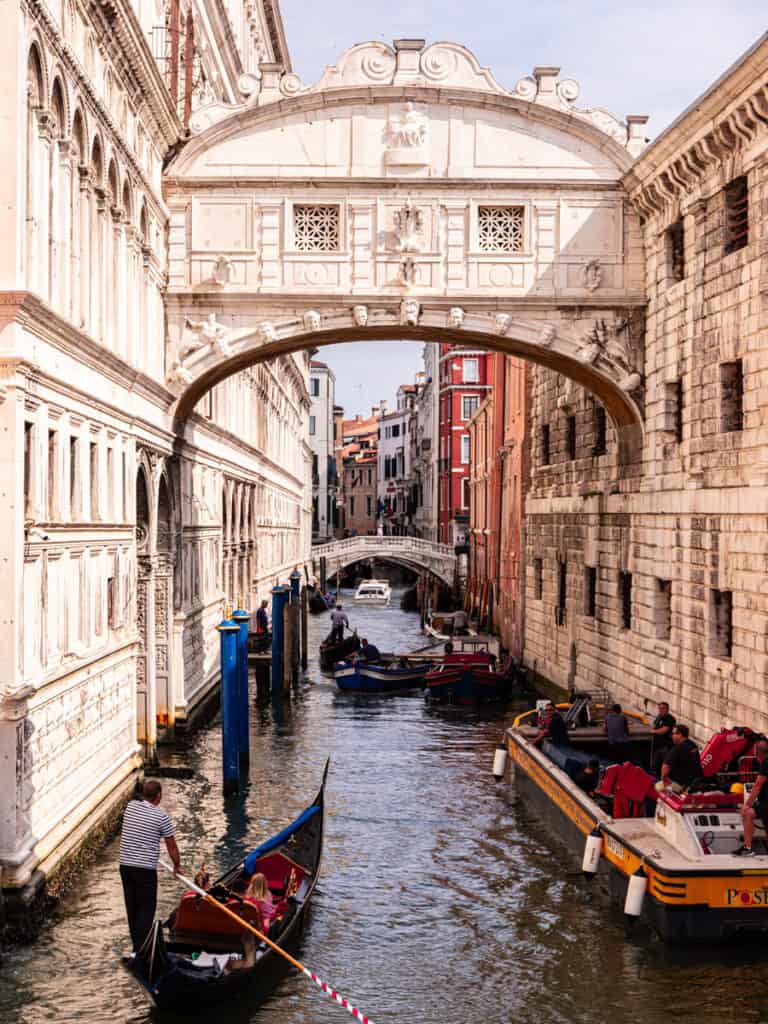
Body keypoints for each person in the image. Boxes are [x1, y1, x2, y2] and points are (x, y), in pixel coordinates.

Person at [119, 779, 183, 952]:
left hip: (125, 866)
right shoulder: (162, 817)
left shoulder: (130, 807)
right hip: (144, 869)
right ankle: (141, 950)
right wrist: (177, 866)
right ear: (159, 796)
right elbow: (171, 846)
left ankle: (136, 947)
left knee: (132, 906)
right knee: (146, 909)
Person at [736, 737, 768, 856]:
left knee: (747, 814)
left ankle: (747, 848)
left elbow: (757, 785)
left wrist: (747, 805)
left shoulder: (766, 763)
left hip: (766, 803)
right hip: (764, 803)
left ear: (757, 753)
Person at [655, 724, 702, 793]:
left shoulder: (678, 748)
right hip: (694, 782)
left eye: (674, 734)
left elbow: (665, 766)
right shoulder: (693, 745)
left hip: (680, 785)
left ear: (680, 734)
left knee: (656, 787)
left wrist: (663, 779)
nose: (672, 736)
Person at [650, 701, 676, 774]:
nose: (661, 710)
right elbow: (655, 725)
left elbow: (664, 730)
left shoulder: (670, 719)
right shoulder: (659, 717)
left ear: (667, 709)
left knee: (664, 764)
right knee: (655, 764)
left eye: (663, 708)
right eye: (660, 708)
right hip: (657, 745)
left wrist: (654, 731)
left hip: (665, 745)